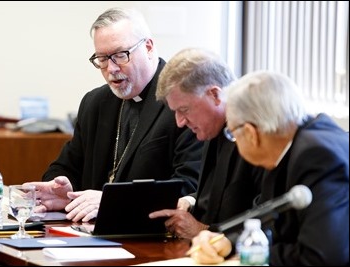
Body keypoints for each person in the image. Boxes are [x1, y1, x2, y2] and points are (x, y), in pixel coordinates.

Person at [25, 7, 203, 222]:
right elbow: (66, 165)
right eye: (102, 58)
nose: (111, 68)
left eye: (120, 55)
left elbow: (189, 185)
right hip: (89, 234)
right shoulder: (95, 103)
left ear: (148, 47)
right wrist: (62, 189)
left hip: (152, 237)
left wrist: (112, 201)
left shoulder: (181, 100)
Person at [189, 70, 349, 266]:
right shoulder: (287, 149)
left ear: (250, 133)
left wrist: (243, 256)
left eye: (232, 133)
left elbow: (320, 256)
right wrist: (227, 242)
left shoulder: (317, 156)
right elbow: (270, 221)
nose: (234, 141)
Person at [149, 48, 265, 239]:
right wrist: (190, 201)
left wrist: (202, 232)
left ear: (214, 95)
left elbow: (264, 222)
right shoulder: (213, 126)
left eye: (184, 109)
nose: (180, 122)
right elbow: (219, 193)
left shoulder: (257, 135)